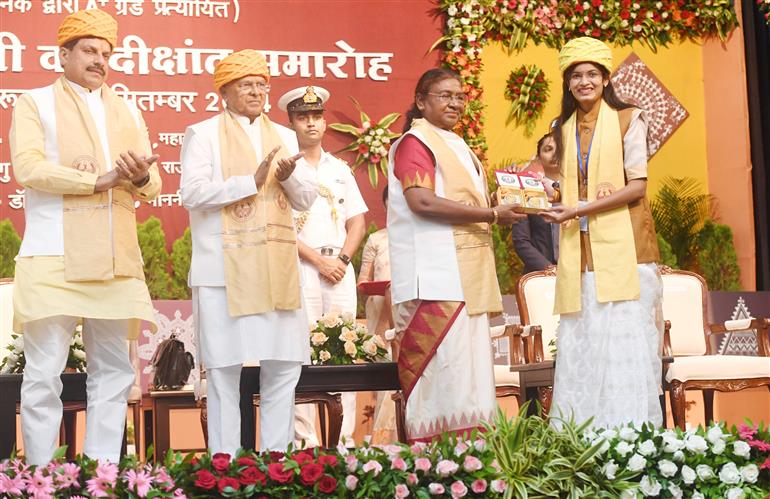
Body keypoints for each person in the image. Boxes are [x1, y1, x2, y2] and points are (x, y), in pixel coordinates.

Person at [9, 9, 161, 465]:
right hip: (52, 252)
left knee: (115, 371)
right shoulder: (33, 103)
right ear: (64, 54)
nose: (100, 60)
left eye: (106, 53)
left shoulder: (126, 109)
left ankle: (102, 474)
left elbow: (152, 186)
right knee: (42, 374)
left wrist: (135, 178)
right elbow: (29, 169)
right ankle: (39, 477)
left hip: (114, 257)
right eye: (90, 51)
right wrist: (100, 180)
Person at [179, 50, 316, 455]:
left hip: (276, 270)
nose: (256, 91)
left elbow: (307, 199)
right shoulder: (202, 133)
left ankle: (277, 460)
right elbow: (191, 193)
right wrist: (249, 181)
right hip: (224, 271)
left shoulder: (287, 137)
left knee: (284, 366)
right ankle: (225, 463)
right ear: (225, 91)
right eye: (246, 85)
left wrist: (289, 181)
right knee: (224, 370)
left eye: (261, 84)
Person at [388, 68, 526, 442]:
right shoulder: (415, 143)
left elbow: (468, 202)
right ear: (420, 101)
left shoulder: (458, 145)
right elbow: (422, 201)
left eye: (460, 96)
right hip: (434, 280)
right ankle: (437, 468)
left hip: (465, 279)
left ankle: (475, 463)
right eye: (444, 95)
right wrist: (493, 214)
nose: (454, 102)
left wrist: (506, 203)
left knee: (471, 376)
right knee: (442, 376)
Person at [540, 37, 663, 428]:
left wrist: (578, 208)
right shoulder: (562, 127)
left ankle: (628, 438)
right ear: (567, 84)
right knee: (585, 348)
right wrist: (544, 195)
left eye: (592, 74)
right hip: (581, 255)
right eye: (576, 75)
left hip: (626, 251)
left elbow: (637, 186)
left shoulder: (629, 118)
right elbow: (562, 184)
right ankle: (582, 441)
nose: (584, 82)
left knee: (622, 350)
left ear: (606, 78)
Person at [276, 85, 368, 448]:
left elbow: (358, 220)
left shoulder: (340, 169)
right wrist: (318, 261)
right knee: (302, 352)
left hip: (340, 270)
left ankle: (342, 441)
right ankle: (306, 442)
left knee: (344, 351)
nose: (311, 123)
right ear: (291, 122)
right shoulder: (284, 169)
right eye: (303, 117)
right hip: (302, 266)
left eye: (316, 116)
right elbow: (280, 225)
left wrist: (342, 260)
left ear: (324, 121)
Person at [357, 186, 396, 443]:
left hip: (410, 308)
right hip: (381, 310)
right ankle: (384, 439)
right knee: (387, 367)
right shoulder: (376, 240)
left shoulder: (420, 239)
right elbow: (363, 280)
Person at [511, 133, 561, 273]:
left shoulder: (581, 190)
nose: (555, 153)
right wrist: (549, 269)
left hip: (578, 273)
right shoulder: (528, 190)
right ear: (538, 157)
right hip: (540, 275)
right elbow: (521, 241)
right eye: (548, 149)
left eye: (560, 148)